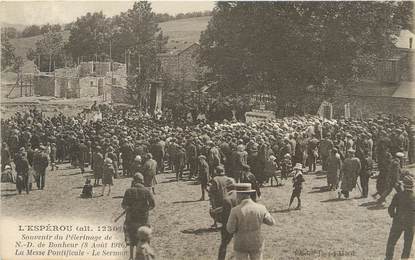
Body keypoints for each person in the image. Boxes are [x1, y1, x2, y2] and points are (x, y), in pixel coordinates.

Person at [226, 183, 275, 260]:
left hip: (241, 244)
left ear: (239, 195)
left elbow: (230, 229)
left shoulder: (235, 210)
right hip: (256, 242)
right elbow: (271, 222)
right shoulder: (261, 208)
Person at [122, 173, 155, 260]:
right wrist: (146, 210)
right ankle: (146, 254)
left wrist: (128, 208)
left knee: (132, 237)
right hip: (143, 219)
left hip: (131, 218)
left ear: (134, 181)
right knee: (144, 236)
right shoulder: (147, 191)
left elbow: (123, 205)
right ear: (142, 181)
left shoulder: (128, 191)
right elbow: (153, 205)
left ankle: (131, 257)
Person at [384, 172, 414, 260]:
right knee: (407, 244)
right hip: (410, 224)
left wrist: (394, 216)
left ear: (403, 185)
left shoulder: (398, 195)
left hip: (398, 221)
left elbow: (390, 209)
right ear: (412, 186)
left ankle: (388, 258)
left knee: (391, 242)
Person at [218, 182, 238, 260]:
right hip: (240, 224)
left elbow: (225, 216)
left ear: (227, 188)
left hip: (228, 225)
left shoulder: (227, 199)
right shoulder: (240, 196)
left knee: (224, 244)